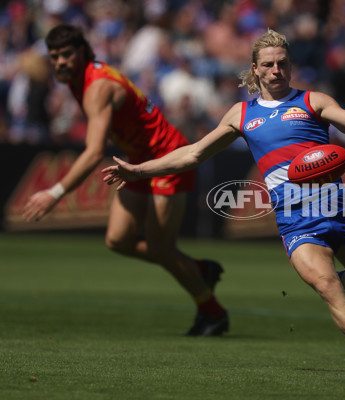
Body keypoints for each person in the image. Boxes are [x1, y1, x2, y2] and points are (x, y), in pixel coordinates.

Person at [102, 29, 345, 379]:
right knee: (328, 290)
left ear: (290, 67)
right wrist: (139, 170)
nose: (277, 70)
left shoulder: (314, 101)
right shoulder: (241, 114)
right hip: (296, 221)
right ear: (255, 69)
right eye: (269, 65)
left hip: (337, 209)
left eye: (283, 64)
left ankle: (338, 277)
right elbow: (194, 153)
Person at [22, 24, 228, 337]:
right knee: (118, 240)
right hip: (136, 160)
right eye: (55, 57)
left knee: (161, 247)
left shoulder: (96, 87)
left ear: (83, 52)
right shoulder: (80, 79)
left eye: (66, 54)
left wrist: (55, 192)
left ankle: (212, 311)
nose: (60, 62)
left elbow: (93, 154)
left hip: (167, 158)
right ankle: (199, 269)